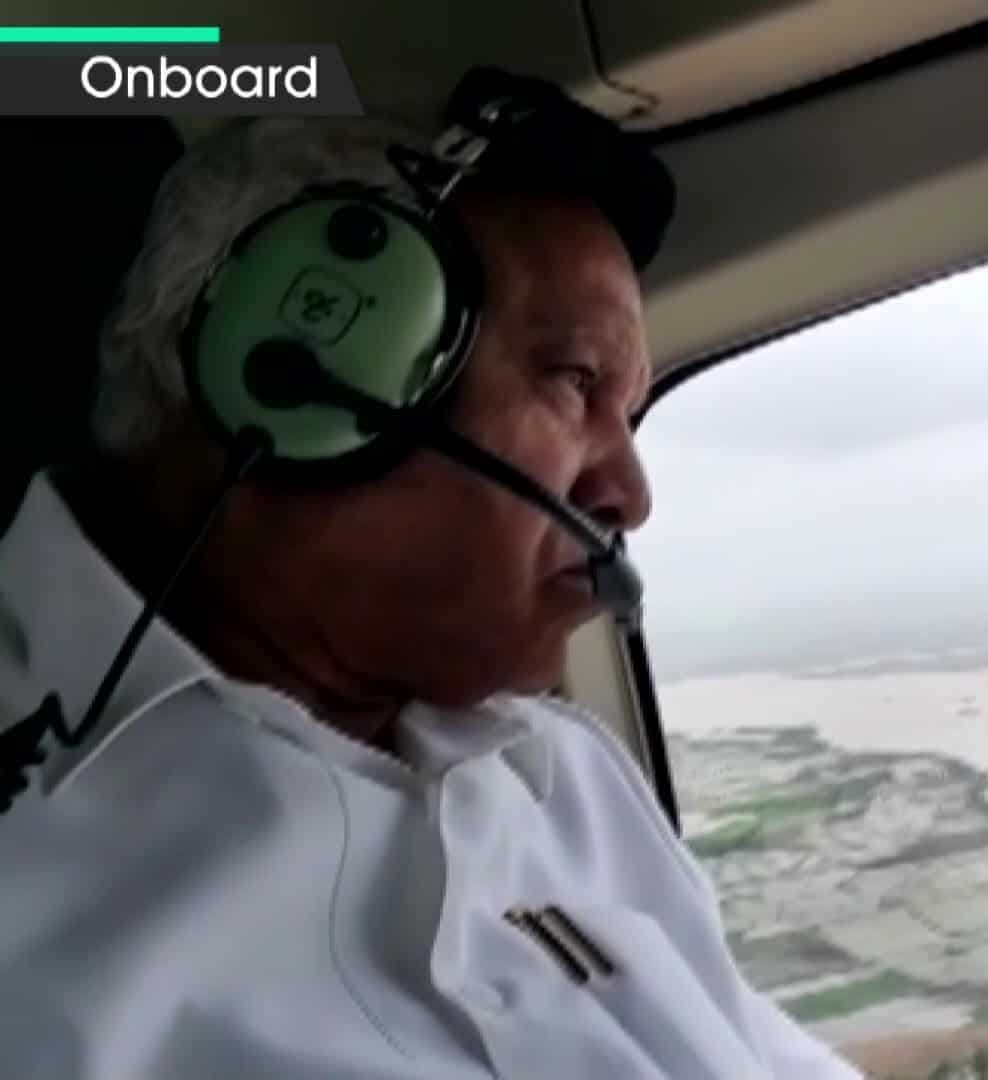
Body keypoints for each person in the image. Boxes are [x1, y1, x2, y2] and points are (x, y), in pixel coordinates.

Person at [0, 77, 863, 1079]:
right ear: (293, 366)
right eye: (577, 381)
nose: (629, 490)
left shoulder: (566, 778)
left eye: (628, 415)